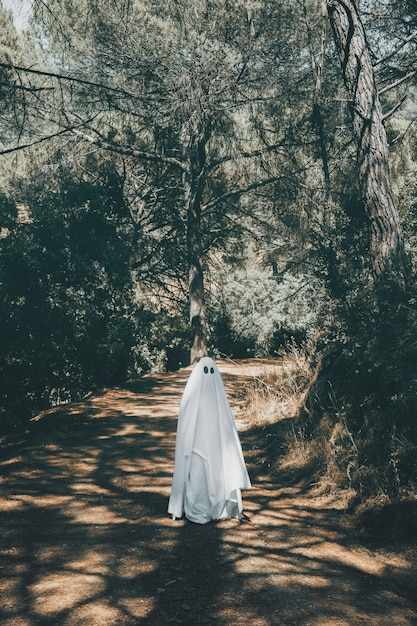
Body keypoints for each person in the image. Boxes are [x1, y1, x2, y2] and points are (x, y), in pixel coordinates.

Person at [168, 356, 251, 524]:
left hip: (216, 449)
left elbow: (227, 429)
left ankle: (220, 509)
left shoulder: (219, 398)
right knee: (197, 479)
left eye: (211, 371)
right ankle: (196, 510)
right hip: (195, 448)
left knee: (217, 477)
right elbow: (185, 426)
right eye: (205, 371)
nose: (208, 374)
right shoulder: (191, 398)